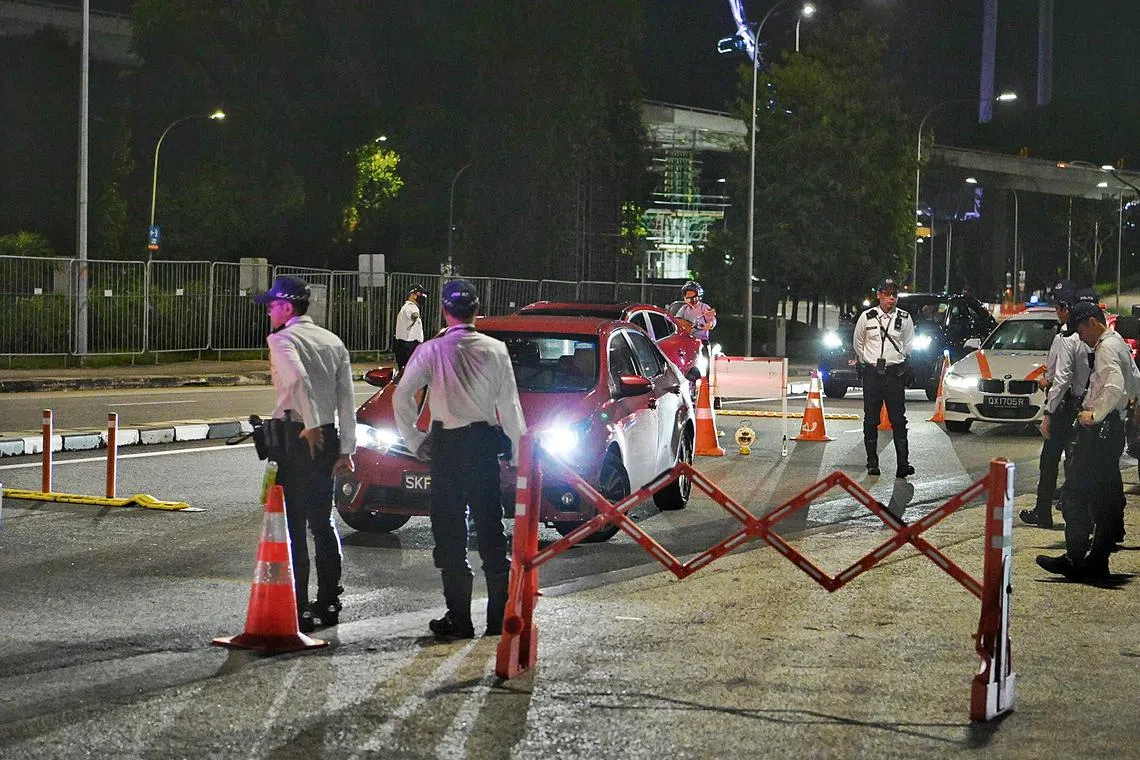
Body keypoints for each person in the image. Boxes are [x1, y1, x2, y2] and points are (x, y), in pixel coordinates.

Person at [392, 279, 527, 639]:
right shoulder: (495, 350)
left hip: (447, 449)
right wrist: (518, 453)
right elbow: (510, 406)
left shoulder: (433, 350)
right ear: (476, 309)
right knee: (491, 530)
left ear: (443, 311)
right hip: (482, 446)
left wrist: (414, 440)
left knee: (449, 532)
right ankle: (498, 620)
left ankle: (459, 618)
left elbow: (402, 396)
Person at [254, 275, 357, 633]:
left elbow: (297, 380)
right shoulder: (332, 341)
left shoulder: (281, 339)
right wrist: (347, 449)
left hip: (297, 436)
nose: (269, 312)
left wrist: (310, 424)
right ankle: (329, 600)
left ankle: (296, 606)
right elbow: (347, 400)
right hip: (327, 436)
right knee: (323, 522)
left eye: (272, 306)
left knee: (294, 526)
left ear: (286, 307)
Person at [1036, 301, 1140, 581]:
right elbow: (1135, 380)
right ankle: (1096, 561)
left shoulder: (1105, 348)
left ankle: (1076, 557)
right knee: (1105, 498)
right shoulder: (1117, 342)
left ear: (1092, 323)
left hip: (1099, 432)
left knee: (1075, 494)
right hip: (1112, 431)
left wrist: (1095, 414)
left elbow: (1114, 385)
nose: (1081, 338)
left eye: (1081, 331)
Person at [1020, 290, 1091, 528]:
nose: (1057, 313)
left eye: (1058, 308)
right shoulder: (1094, 338)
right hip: (1086, 404)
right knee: (1077, 461)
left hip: (1065, 406)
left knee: (1050, 461)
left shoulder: (1066, 338)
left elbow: (1059, 377)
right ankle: (1080, 513)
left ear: (1064, 309)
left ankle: (1045, 512)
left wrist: (1049, 411)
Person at [853, 278, 915, 478]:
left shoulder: (904, 318)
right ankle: (872, 461)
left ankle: (903, 464)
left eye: (894, 294)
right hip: (872, 374)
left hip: (894, 375)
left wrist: (898, 360)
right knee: (871, 419)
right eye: (887, 294)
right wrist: (868, 361)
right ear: (879, 295)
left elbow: (908, 344)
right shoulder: (867, 317)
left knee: (898, 420)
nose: (891, 298)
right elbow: (858, 343)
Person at [393, 283, 427, 375]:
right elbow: (412, 314)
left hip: (405, 345)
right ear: (412, 295)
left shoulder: (406, 307)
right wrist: (414, 315)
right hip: (408, 346)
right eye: (420, 293)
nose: (423, 296)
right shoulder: (410, 306)